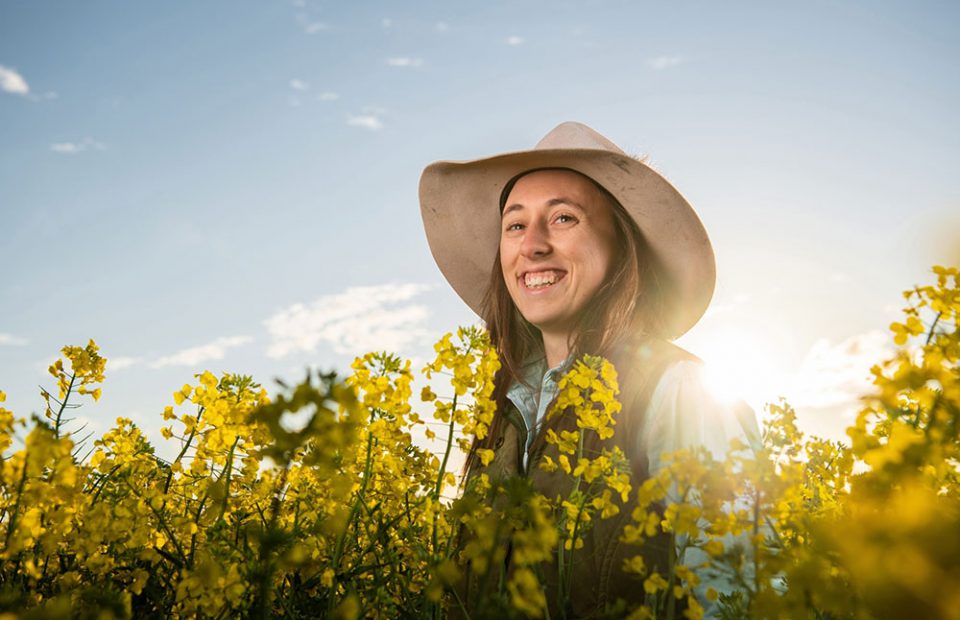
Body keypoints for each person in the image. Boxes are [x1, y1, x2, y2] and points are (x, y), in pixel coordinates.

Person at [419, 122, 760, 618]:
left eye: (563, 218)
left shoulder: (680, 389)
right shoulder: (504, 409)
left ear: (621, 244)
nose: (532, 244)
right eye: (515, 225)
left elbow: (733, 595)